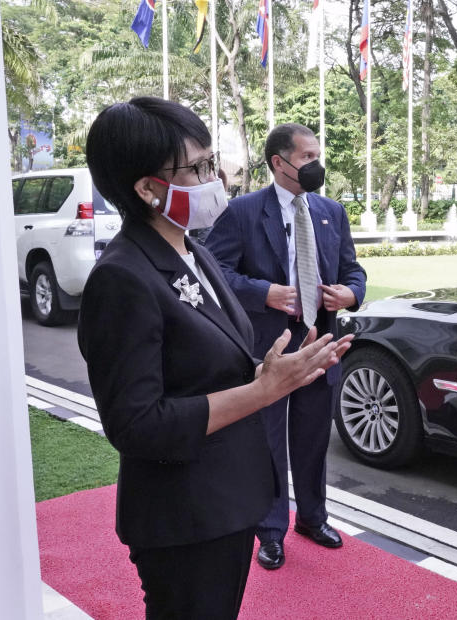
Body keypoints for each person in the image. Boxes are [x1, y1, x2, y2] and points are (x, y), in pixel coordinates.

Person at [77, 97, 352, 618]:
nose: (215, 178)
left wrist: (274, 374)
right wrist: (263, 390)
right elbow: (136, 423)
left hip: (225, 500)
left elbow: (207, 367)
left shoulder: (190, 248)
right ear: (147, 188)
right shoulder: (122, 278)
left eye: (212, 162)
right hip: (183, 514)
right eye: (199, 168)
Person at [205, 123, 366, 570]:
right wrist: (264, 292)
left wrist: (350, 294)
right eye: (307, 157)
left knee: (314, 441)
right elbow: (214, 271)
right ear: (279, 162)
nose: (316, 164)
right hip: (268, 349)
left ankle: (313, 518)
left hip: (319, 343)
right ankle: (270, 531)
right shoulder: (240, 211)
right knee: (270, 444)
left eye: (318, 154)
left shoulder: (332, 210)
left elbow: (354, 271)